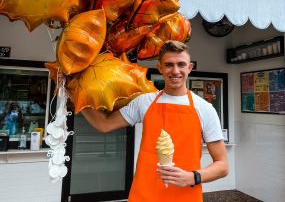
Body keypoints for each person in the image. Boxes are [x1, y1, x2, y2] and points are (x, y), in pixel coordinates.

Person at [82, 40, 228, 202]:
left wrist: (193, 177)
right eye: (169, 65)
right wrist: (78, 96)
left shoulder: (205, 109)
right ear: (160, 68)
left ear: (189, 68)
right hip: (144, 195)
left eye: (181, 64)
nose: (175, 71)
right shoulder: (144, 102)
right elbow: (104, 124)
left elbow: (222, 165)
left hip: (185, 195)